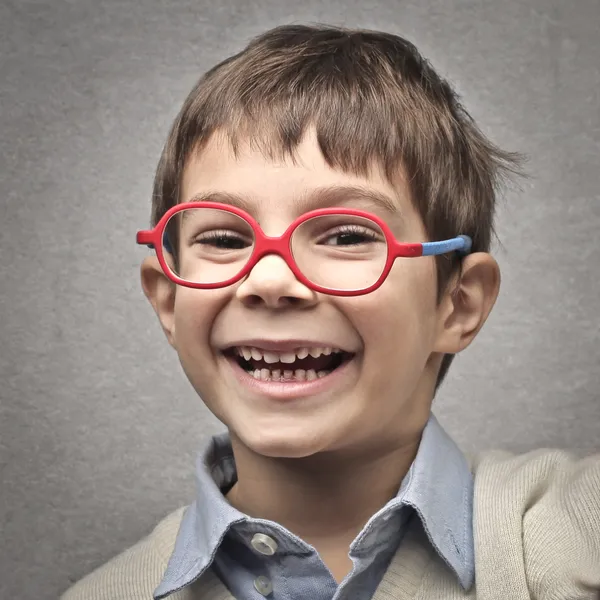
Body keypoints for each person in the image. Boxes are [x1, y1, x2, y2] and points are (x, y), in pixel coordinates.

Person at [61, 24, 600, 600]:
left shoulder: (577, 535)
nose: (270, 280)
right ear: (168, 299)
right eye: (222, 238)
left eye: (346, 235)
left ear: (457, 304)